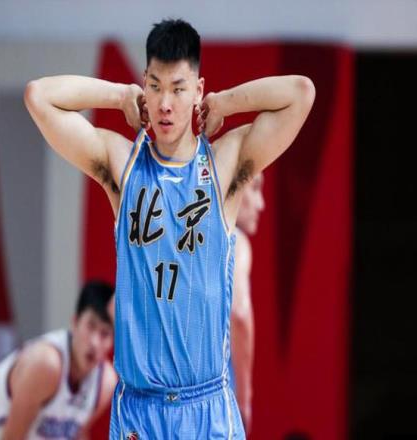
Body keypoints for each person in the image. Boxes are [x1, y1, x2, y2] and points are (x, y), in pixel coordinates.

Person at [24, 18, 315, 439]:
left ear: (197, 90)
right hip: (139, 412)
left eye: (178, 89)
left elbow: (301, 93)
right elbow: (39, 97)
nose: (165, 104)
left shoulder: (222, 165)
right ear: (144, 85)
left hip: (208, 408)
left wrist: (225, 103)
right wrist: (118, 95)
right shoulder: (123, 165)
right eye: (155, 86)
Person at [0, 281, 117, 440]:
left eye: (105, 333)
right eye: (90, 326)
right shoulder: (46, 363)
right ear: (74, 323)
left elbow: (75, 434)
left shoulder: (105, 383)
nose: (94, 342)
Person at [230, 173, 265, 433]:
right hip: (211, 403)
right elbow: (239, 312)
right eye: (254, 188)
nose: (261, 204)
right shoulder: (235, 240)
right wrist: (244, 397)